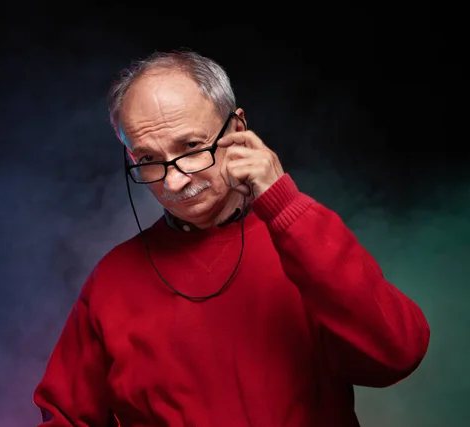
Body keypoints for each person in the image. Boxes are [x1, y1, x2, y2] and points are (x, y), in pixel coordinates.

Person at [33, 50, 431, 427]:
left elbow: (397, 354)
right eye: (149, 160)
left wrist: (284, 205)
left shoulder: (304, 239)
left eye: (190, 147)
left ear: (237, 129)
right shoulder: (111, 282)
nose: (174, 181)